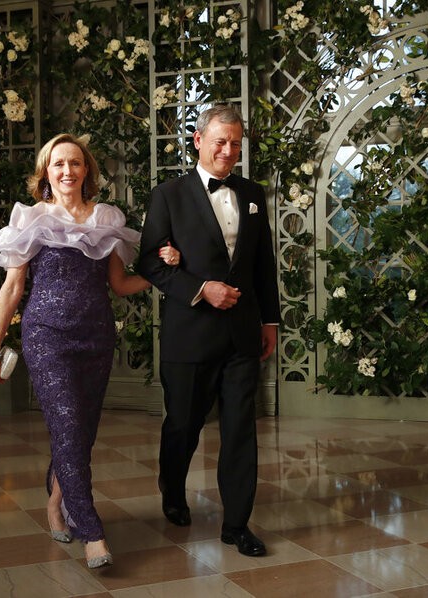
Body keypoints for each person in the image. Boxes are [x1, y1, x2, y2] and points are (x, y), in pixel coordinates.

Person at [0, 133, 179, 569]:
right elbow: (13, 288)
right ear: (46, 172)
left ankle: (55, 504)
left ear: (86, 170)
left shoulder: (105, 219)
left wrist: (162, 273)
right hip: (46, 335)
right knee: (69, 425)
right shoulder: (31, 219)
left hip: (95, 337)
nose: (67, 171)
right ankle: (92, 531)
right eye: (58, 164)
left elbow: (120, 285)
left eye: (75, 163)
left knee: (80, 433)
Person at [137, 104, 280, 557]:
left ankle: (236, 524)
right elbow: (148, 264)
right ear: (198, 140)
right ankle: (172, 489)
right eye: (220, 141)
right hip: (189, 335)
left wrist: (270, 321)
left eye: (236, 143)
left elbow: (263, 266)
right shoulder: (168, 195)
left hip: (241, 336)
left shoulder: (253, 193)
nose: (228, 150)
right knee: (183, 425)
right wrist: (202, 289)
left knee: (240, 430)